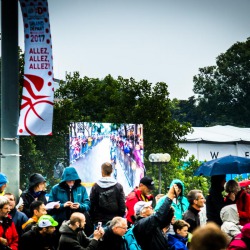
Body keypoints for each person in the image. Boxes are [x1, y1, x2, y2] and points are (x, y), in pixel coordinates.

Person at [132, 184, 180, 250]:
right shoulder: (141, 224)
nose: (151, 207)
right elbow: (158, 217)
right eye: (148, 207)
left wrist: (170, 209)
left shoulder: (148, 223)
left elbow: (164, 221)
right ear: (142, 212)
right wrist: (169, 198)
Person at [89, 162, 126, 226]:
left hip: (99, 221)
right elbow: (122, 206)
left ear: (102, 171)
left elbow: (92, 204)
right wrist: (119, 218)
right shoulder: (118, 186)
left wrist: (93, 218)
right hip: (115, 222)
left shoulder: (95, 186)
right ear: (112, 171)